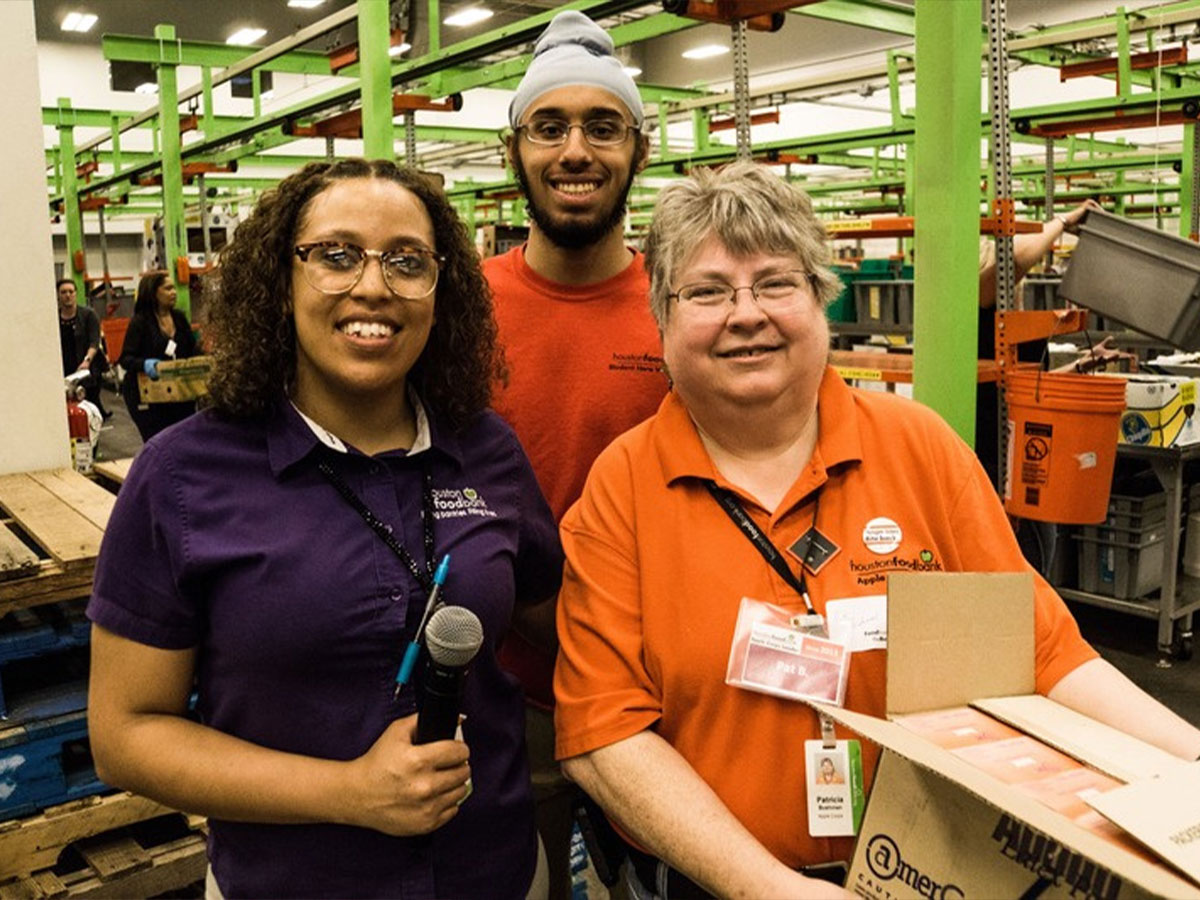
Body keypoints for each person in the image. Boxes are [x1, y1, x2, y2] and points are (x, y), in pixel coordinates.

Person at [553, 162, 1200, 900]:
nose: (746, 313)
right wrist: (770, 889)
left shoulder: (918, 447)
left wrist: (1193, 764)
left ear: (821, 299)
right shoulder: (622, 488)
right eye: (706, 291)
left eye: (776, 282)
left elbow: (1045, 653)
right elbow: (603, 733)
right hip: (712, 884)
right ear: (662, 321)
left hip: (932, 870)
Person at [87, 159, 563, 899]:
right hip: (290, 880)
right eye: (336, 256)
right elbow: (125, 735)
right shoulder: (183, 476)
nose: (373, 287)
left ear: (443, 293)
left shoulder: (486, 449)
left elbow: (555, 616)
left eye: (408, 261)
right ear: (282, 283)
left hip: (494, 870)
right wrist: (349, 791)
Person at [483, 10, 668, 896]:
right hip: (504, 689)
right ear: (513, 148)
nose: (575, 150)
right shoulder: (460, 310)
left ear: (639, 145)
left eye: (603, 126)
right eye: (549, 127)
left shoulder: (686, 307)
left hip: (665, 685)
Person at [976, 198, 1133, 573]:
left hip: (1026, 460)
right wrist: (1063, 220)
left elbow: (1026, 389)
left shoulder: (1013, 320)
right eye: (1013, 280)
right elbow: (1009, 263)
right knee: (1021, 572)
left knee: (1038, 566)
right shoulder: (979, 313)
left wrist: (1080, 366)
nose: (1016, 285)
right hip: (993, 464)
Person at [118, 271, 198, 442]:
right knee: (159, 441)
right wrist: (145, 364)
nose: (174, 292)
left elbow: (193, 350)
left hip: (179, 393)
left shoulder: (179, 318)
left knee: (183, 440)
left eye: (174, 288)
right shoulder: (140, 322)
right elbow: (125, 359)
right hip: (147, 395)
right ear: (153, 292)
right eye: (168, 288)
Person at [56, 277, 111, 418]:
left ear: (75, 294)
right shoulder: (54, 317)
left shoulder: (88, 315)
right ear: (58, 294)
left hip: (88, 367)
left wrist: (87, 360)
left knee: (90, 406)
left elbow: (94, 340)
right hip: (66, 368)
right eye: (63, 292)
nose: (67, 295)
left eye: (70, 291)